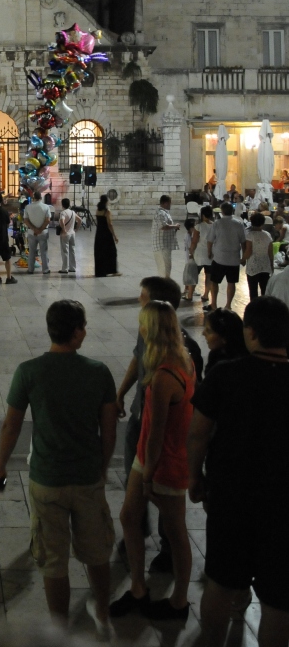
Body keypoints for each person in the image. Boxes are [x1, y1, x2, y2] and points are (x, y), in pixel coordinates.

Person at [0, 301, 117, 637]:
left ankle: (59, 629)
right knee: (96, 552)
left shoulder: (29, 372)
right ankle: (103, 613)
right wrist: (102, 468)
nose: (86, 332)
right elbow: (109, 431)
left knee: (53, 561)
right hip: (87, 478)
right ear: (76, 332)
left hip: (47, 479)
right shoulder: (98, 372)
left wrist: (0, 467)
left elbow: (11, 427)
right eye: (84, 327)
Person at [188, 297, 289, 647]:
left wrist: (194, 478)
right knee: (278, 601)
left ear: (251, 332)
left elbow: (199, 432)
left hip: (231, 496)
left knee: (220, 581)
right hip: (282, 506)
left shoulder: (227, 374)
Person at [111, 299, 195, 622]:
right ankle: (137, 588)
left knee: (175, 532)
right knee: (129, 517)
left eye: (143, 322)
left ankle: (179, 602)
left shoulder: (165, 375)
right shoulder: (180, 358)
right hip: (148, 456)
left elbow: (158, 431)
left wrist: (148, 477)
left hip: (164, 462)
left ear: (153, 328)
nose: (139, 327)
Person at [115, 275, 202, 574]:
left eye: (142, 298)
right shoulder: (148, 335)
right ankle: (136, 535)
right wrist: (121, 393)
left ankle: (168, 552)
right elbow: (136, 361)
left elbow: (166, 424)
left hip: (161, 440)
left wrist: (151, 468)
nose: (137, 301)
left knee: (169, 509)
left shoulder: (182, 355)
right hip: (140, 425)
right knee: (132, 498)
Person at [207, 200, 247, 309]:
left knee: (214, 281)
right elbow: (243, 242)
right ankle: (228, 305)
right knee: (231, 282)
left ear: (222, 211)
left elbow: (210, 240)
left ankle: (214, 303)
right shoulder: (239, 224)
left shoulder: (217, 223)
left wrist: (209, 252)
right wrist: (244, 257)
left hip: (219, 257)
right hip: (234, 258)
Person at [203, 308, 248, 375]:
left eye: (209, 331)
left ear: (225, 337)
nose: (203, 333)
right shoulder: (215, 354)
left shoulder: (235, 368)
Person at [244, 211, 274, 300]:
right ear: (263, 223)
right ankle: (265, 308)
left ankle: (254, 309)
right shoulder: (267, 235)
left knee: (253, 290)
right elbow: (270, 252)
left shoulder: (250, 235)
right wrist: (271, 265)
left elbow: (248, 251)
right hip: (265, 265)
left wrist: (242, 259)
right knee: (264, 290)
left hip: (253, 266)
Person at [189, 204, 215, 305]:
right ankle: (206, 294)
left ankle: (190, 294)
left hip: (199, 254)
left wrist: (191, 251)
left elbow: (194, 241)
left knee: (194, 275)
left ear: (203, 215)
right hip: (211, 254)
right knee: (208, 276)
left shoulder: (199, 226)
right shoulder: (214, 225)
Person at [23, 191, 52, 274]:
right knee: (44, 251)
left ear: (33, 198)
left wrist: (34, 229)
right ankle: (45, 269)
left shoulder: (28, 207)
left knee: (32, 251)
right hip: (43, 232)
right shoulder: (46, 207)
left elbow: (26, 220)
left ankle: (30, 269)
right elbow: (48, 220)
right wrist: (40, 230)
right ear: (41, 197)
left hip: (31, 232)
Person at [151, 194, 180, 278]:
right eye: (170, 203)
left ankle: (164, 287)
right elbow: (162, 226)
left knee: (166, 268)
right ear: (165, 203)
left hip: (165, 245)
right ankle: (164, 287)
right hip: (162, 246)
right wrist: (175, 226)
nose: (171, 205)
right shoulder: (160, 213)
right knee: (164, 269)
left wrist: (174, 227)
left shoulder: (164, 213)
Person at [94, 194, 120, 277]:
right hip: (106, 234)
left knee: (100, 252)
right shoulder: (107, 211)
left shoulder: (97, 210)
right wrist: (115, 236)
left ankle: (101, 271)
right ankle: (113, 270)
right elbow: (110, 224)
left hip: (99, 234)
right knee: (112, 252)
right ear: (106, 201)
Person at [57, 197, 79, 275]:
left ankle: (65, 268)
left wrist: (64, 230)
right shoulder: (73, 212)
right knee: (72, 250)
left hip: (65, 234)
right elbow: (79, 220)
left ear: (62, 204)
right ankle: (72, 267)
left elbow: (62, 221)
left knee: (65, 251)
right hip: (72, 233)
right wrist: (76, 228)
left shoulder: (63, 213)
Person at [182, 217, 198, 301]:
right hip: (190, 258)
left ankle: (189, 290)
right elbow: (190, 247)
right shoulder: (188, 236)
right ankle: (187, 290)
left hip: (189, 257)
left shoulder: (190, 234)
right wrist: (192, 255)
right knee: (190, 275)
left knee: (189, 274)